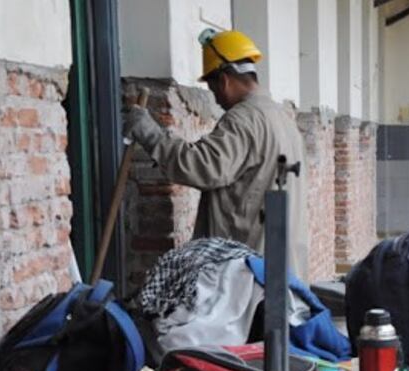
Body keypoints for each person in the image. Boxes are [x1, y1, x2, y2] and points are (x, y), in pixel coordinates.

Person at [123, 28, 310, 280]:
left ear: (224, 80)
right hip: (281, 268)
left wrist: (150, 134)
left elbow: (201, 167)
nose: (216, 99)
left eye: (213, 89)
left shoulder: (243, 119)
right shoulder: (283, 120)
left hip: (249, 272)